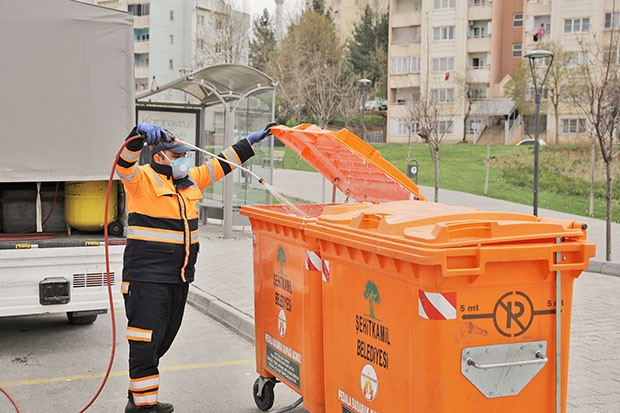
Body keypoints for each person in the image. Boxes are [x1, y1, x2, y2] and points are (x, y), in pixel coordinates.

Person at [116, 122, 274, 413]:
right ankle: (143, 407)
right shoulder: (140, 180)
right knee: (145, 341)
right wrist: (137, 135)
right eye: (177, 156)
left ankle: (138, 396)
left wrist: (250, 142)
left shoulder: (190, 181)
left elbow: (221, 164)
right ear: (159, 156)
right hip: (147, 279)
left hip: (179, 278)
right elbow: (124, 162)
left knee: (160, 340)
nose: (183, 160)